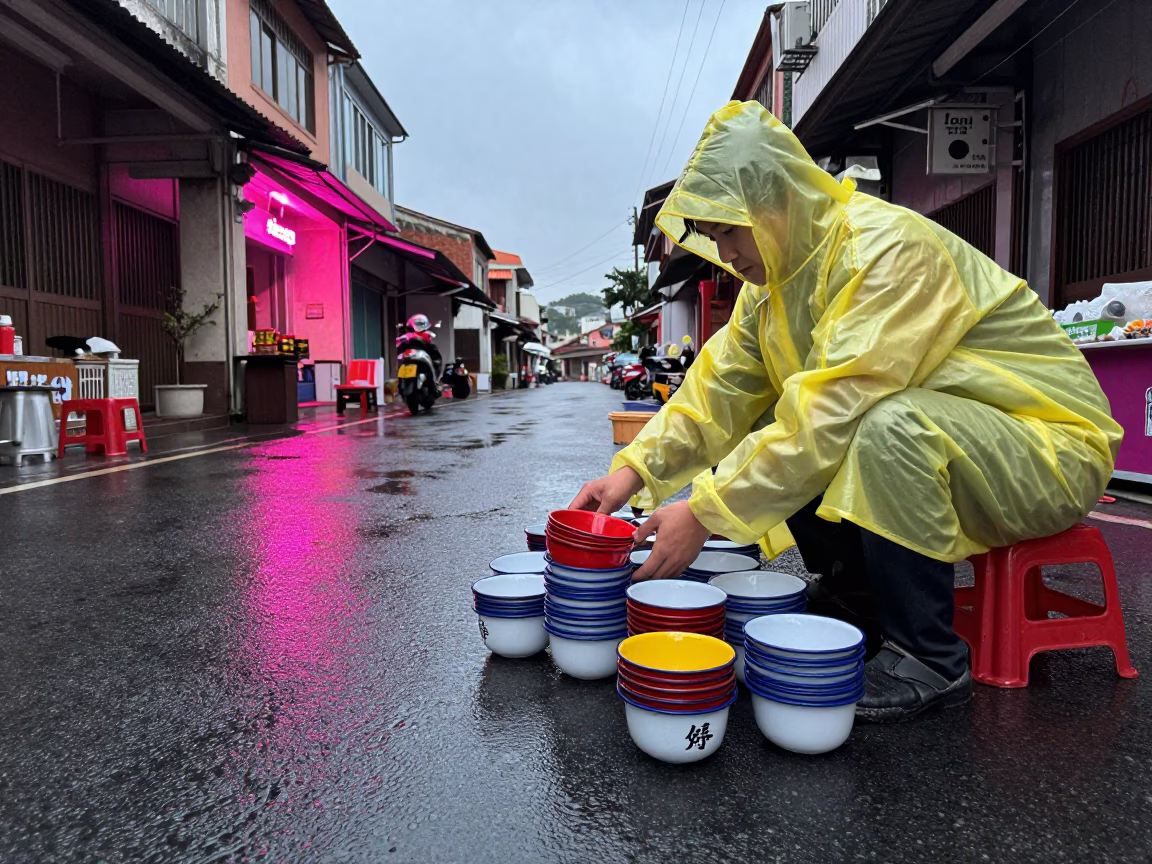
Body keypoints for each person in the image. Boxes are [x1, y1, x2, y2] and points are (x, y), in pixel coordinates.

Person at [570, 102, 1121, 723]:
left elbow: (831, 408)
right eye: (713, 233)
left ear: (777, 203)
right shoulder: (771, 289)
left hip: (1047, 445)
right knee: (787, 419)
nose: (725, 251)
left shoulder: (886, 250)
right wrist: (633, 474)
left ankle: (931, 659)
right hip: (962, 442)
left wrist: (703, 512)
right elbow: (715, 392)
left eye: (731, 229)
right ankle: (856, 602)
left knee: (884, 426)